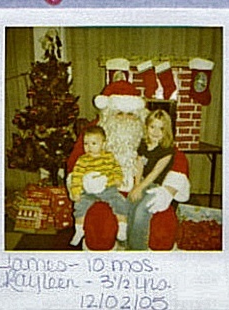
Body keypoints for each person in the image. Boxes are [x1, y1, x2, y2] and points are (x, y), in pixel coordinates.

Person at [67, 63, 190, 250]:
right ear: (109, 113)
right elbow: (75, 160)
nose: (125, 118)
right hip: (105, 191)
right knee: (100, 229)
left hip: (141, 189)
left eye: (131, 114)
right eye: (120, 113)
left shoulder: (148, 130)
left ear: (139, 115)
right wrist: (85, 181)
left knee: (163, 228)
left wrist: (169, 190)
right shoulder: (95, 132)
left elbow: (176, 157)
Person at [69, 125, 129, 246]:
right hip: (88, 191)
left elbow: (116, 168)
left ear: (103, 144)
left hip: (107, 188)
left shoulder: (109, 157)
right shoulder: (83, 160)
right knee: (80, 205)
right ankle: (79, 230)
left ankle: (122, 227)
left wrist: (118, 178)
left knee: (119, 201)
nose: (89, 147)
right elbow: (77, 176)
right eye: (86, 143)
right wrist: (75, 191)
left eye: (93, 143)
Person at [127, 109, 175, 250]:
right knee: (131, 205)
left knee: (142, 210)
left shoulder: (167, 150)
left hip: (157, 187)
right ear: (146, 127)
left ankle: (138, 249)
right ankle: (129, 243)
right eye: (152, 127)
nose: (155, 132)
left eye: (161, 128)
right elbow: (139, 166)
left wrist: (140, 188)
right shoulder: (143, 144)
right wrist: (136, 186)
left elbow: (155, 172)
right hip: (142, 183)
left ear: (166, 131)